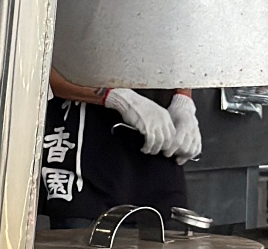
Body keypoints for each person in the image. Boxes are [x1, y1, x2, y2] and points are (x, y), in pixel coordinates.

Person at [39, 69, 202, 229]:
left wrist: (183, 100)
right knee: (84, 246)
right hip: (88, 147)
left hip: (158, 143)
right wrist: (115, 97)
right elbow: (44, 63)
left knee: (168, 241)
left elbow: (179, 49)